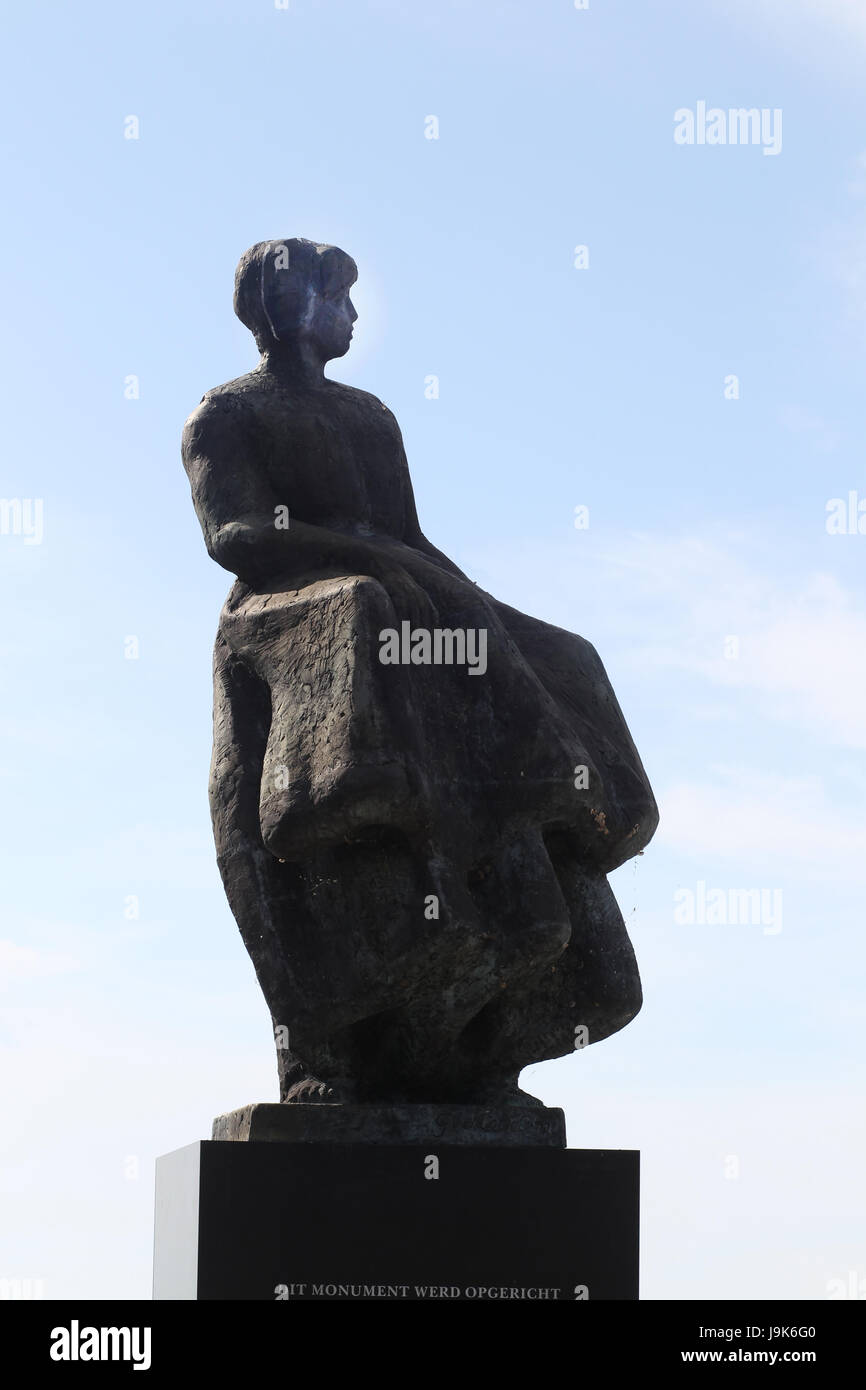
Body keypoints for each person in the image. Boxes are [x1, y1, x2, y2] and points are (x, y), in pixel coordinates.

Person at [182, 239, 658, 1106]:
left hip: (392, 587)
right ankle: (366, 784)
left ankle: (563, 805)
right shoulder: (227, 414)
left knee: (566, 655)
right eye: (339, 300)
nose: (355, 317)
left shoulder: (370, 416)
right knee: (366, 600)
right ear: (293, 307)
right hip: (288, 607)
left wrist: (474, 606)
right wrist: (362, 554)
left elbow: (411, 535)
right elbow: (236, 538)